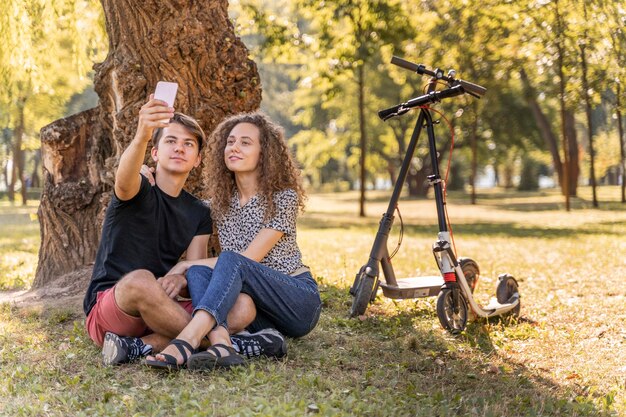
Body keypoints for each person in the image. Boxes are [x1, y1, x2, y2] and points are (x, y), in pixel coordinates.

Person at [83, 96, 258, 366]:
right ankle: (222, 344)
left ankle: (138, 347)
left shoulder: (199, 212)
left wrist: (182, 279)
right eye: (170, 141)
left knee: (244, 305)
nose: (179, 148)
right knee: (141, 280)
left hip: (163, 307)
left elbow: (195, 266)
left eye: (188, 144)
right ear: (154, 153)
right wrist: (143, 134)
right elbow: (123, 179)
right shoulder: (139, 187)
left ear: (198, 159)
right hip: (115, 303)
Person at [146, 112, 322, 371]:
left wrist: (182, 266)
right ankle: (224, 345)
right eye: (230, 142)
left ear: (264, 153)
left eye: (245, 142)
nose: (234, 148)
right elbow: (178, 205)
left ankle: (187, 339)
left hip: (296, 300)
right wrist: (147, 177)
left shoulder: (283, 198)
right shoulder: (218, 205)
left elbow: (248, 260)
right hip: (257, 315)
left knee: (228, 260)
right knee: (199, 269)